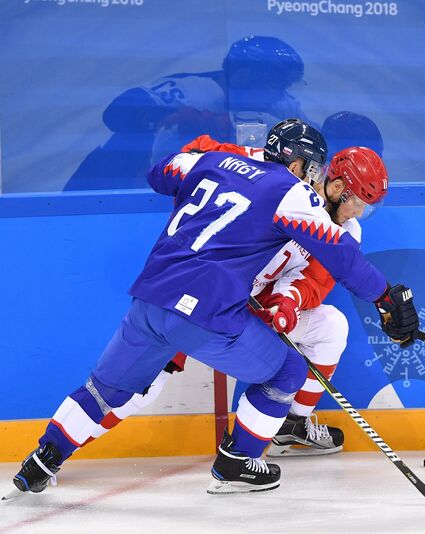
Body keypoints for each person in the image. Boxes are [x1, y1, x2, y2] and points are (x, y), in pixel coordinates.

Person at [11, 119, 419, 496]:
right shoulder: (293, 193)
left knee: (106, 390)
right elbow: (343, 259)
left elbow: (162, 174)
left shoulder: (217, 160)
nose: (315, 175)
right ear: (299, 165)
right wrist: (386, 296)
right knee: (285, 371)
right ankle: (239, 460)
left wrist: (287, 301)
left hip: (152, 297)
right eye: (312, 167)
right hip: (211, 312)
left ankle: (41, 462)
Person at [84, 134, 389, 457]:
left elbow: (314, 280)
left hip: (258, 310)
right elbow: (203, 149)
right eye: (357, 201)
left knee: (332, 326)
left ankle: (291, 425)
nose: (358, 212)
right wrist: (216, 155)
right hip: (209, 297)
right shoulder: (278, 185)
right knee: (144, 387)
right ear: (339, 187)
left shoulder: (346, 231)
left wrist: (289, 302)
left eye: (366, 207)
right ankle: (64, 449)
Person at [64, 35, 310, 191]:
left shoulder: (283, 103)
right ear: (243, 76)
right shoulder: (195, 90)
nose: (281, 94)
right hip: (110, 179)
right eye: (276, 85)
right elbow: (116, 112)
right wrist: (172, 117)